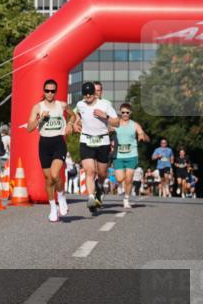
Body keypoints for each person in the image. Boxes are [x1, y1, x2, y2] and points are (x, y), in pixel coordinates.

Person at [27, 78, 72, 222]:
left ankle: (61, 196)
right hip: (44, 143)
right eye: (47, 91)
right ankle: (53, 207)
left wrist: (70, 124)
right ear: (44, 91)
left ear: (56, 92)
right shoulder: (37, 107)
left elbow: (75, 115)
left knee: (54, 174)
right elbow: (29, 128)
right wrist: (40, 119)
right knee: (48, 179)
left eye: (53, 91)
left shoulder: (62, 105)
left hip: (59, 141)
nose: (50, 93)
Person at [72, 81, 119, 214]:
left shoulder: (105, 105)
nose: (88, 96)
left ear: (95, 94)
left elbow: (117, 122)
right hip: (86, 140)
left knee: (102, 174)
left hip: (103, 141)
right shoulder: (80, 104)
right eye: (85, 95)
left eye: (90, 94)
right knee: (90, 171)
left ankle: (99, 187)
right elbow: (77, 115)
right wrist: (74, 123)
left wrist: (106, 116)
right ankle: (91, 198)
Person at [111, 103, 149, 209]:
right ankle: (122, 188)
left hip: (131, 155)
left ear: (130, 113)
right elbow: (106, 131)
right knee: (119, 179)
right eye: (123, 112)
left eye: (127, 112)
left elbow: (141, 132)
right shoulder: (116, 124)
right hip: (118, 155)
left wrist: (141, 135)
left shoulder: (134, 125)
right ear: (120, 112)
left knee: (129, 178)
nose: (125, 114)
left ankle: (126, 199)